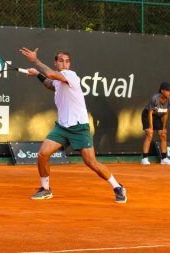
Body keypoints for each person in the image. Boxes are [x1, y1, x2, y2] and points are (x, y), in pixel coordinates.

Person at [19, 47, 127, 203]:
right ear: (55, 62)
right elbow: (50, 83)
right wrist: (37, 75)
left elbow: (50, 74)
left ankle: (117, 187)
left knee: (91, 162)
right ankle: (45, 189)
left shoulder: (70, 75)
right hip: (62, 127)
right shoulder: (58, 80)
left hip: (79, 127)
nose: (64, 64)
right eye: (61, 61)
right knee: (43, 154)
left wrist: (35, 61)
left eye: (67, 61)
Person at [141, 82, 170, 165]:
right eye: (167, 90)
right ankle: (144, 158)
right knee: (149, 134)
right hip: (147, 115)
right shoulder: (154, 98)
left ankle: (164, 159)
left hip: (157, 117)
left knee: (163, 135)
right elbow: (150, 113)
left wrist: (164, 128)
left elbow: (166, 113)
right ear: (162, 90)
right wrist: (150, 128)